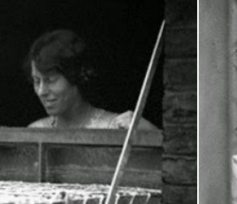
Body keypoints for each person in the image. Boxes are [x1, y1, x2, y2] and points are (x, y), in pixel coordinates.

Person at [25, 29, 156, 130]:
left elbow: (170, 156)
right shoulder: (35, 131)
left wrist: (150, 132)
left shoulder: (113, 128)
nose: (41, 91)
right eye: (37, 81)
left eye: (50, 80)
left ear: (75, 76)